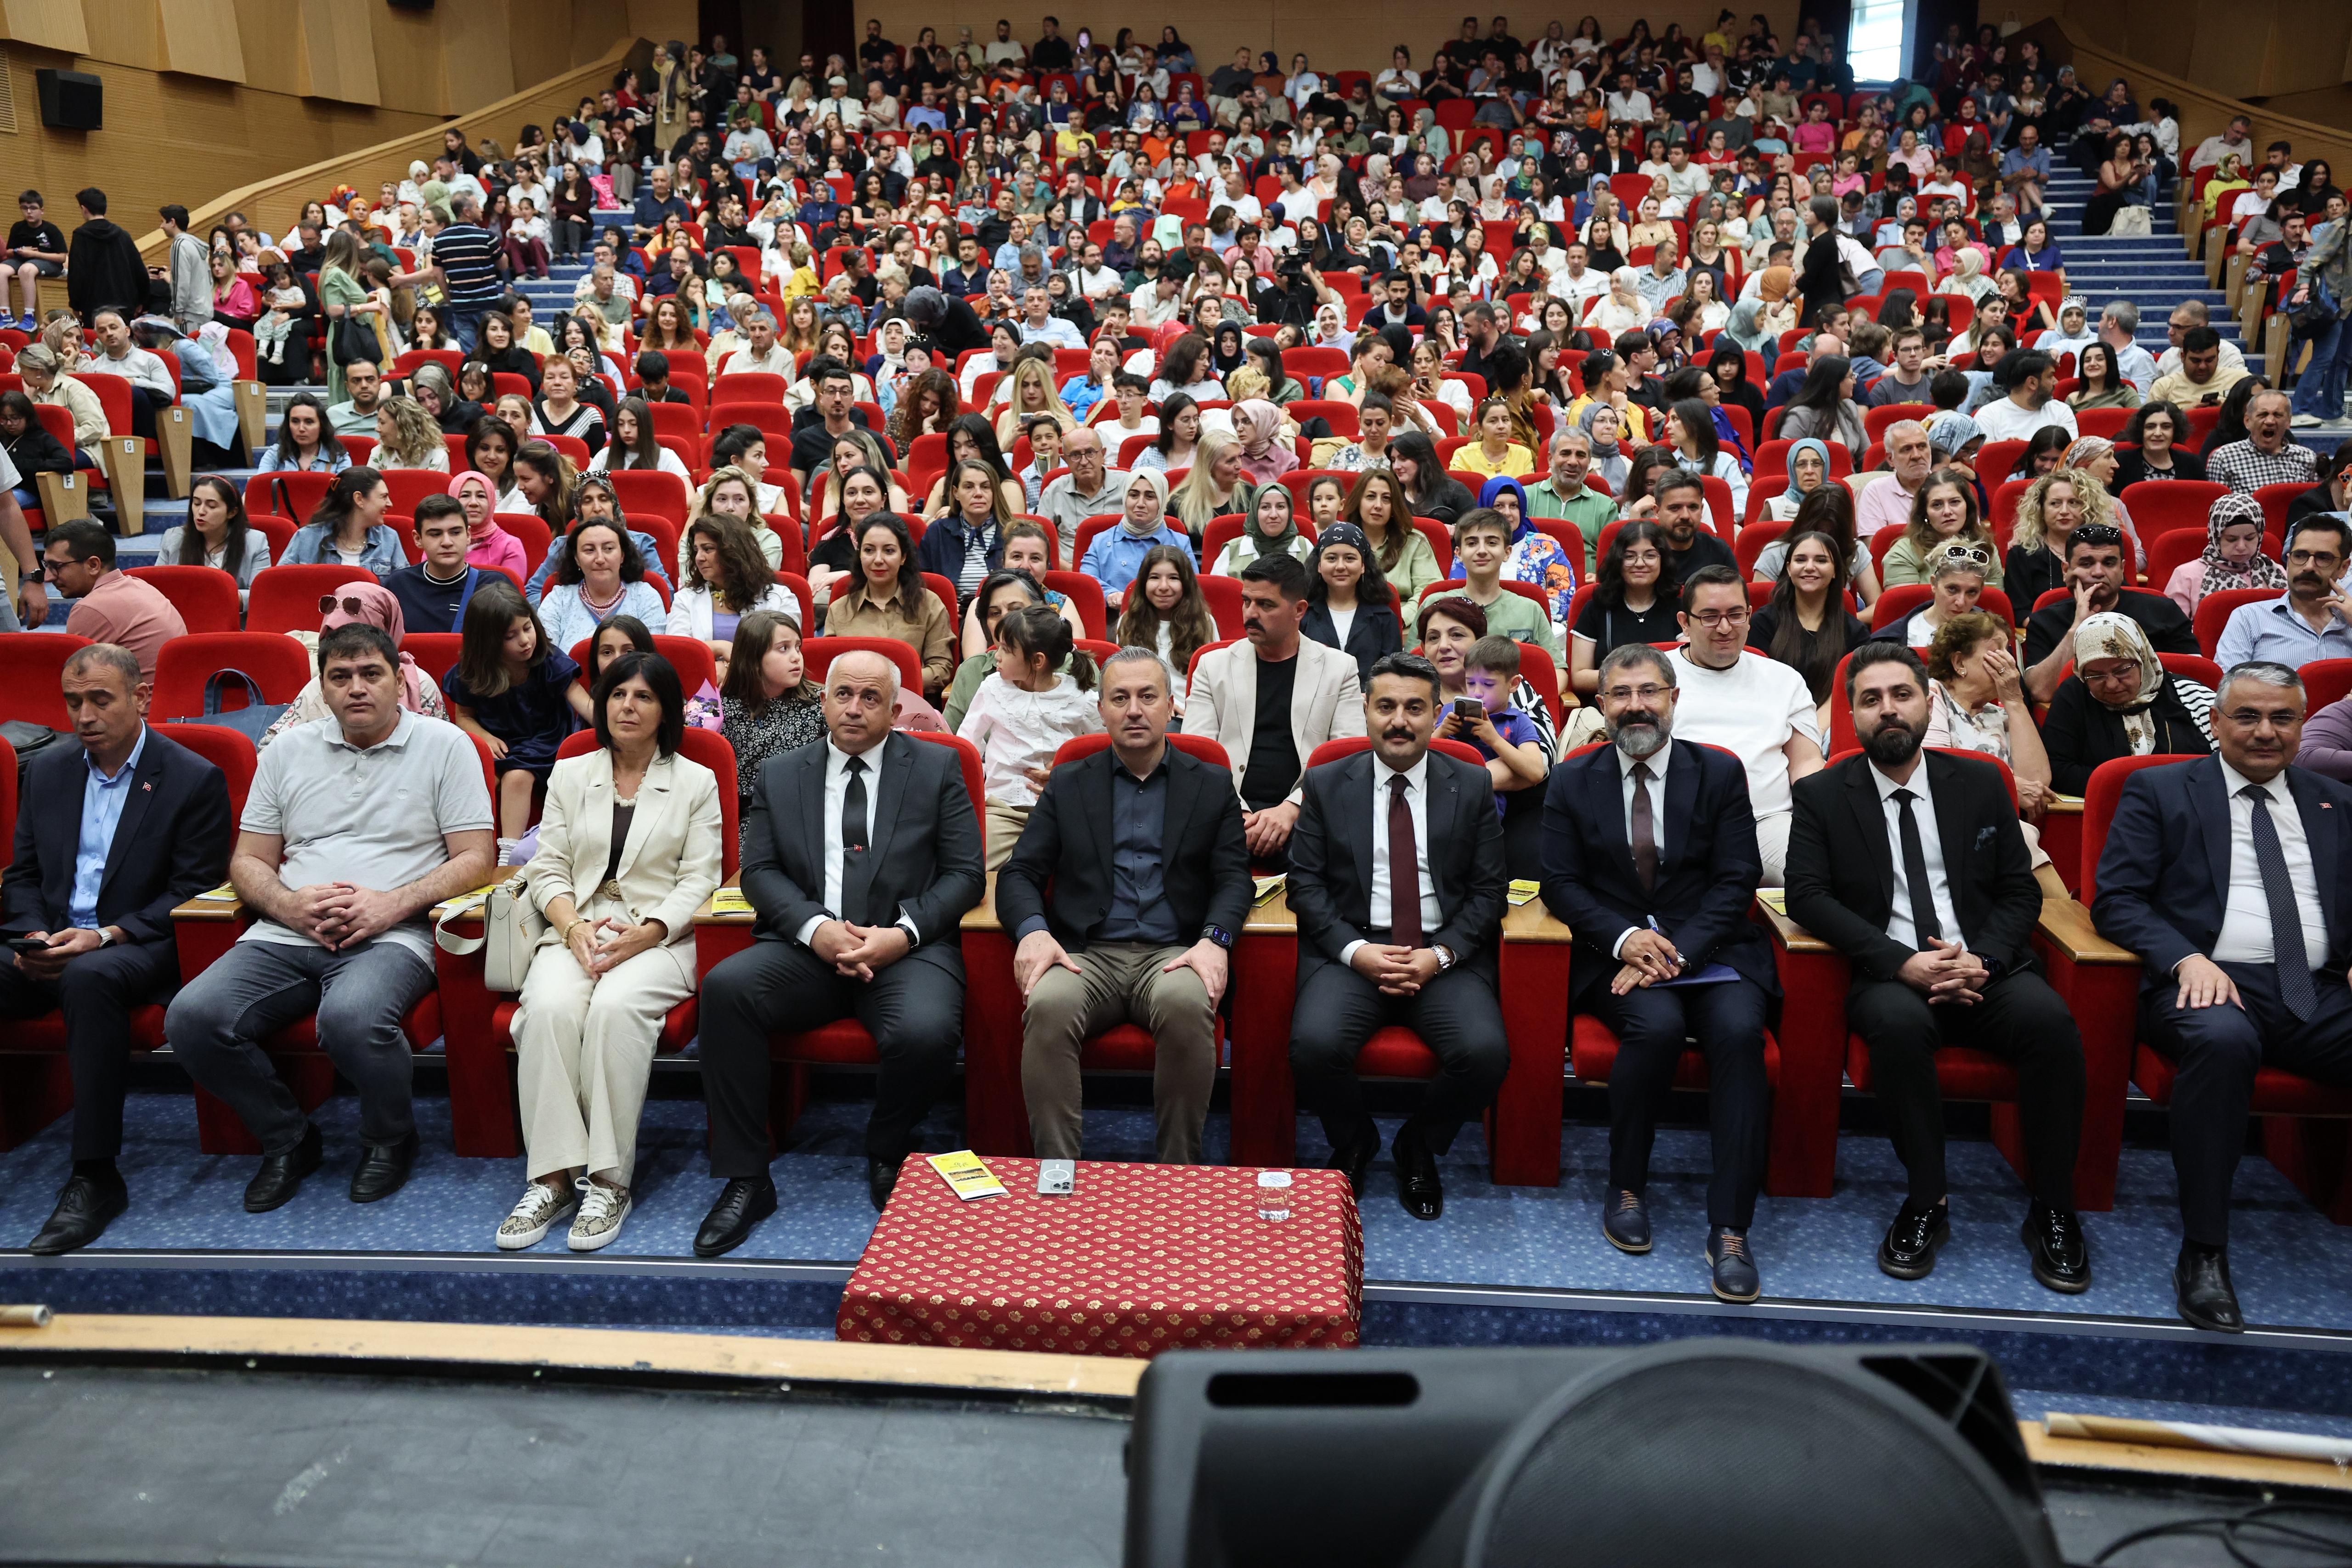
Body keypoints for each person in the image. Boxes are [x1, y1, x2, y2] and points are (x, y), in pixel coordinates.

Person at [1788, 643, 2089, 1290]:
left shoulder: (1980, 781)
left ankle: (2054, 1207)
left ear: (1927, 701)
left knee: (2052, 1024)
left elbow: (2020, 890)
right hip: (1890, 973)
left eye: (1901, 694)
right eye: (1871, 700)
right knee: (1896, 1029)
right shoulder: (1821, 795)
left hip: (1987, 966)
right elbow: (1806, 894)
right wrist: (1903, 963)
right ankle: (1928, 1198)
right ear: (1852, 715)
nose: (1888, 710)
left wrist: (1983, 958)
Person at [166, 622, 496, 1210]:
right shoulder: (288, 750)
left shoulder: (446, 747)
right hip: (287, 930)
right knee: (191, 1017)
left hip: (392, 932)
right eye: (340, 677)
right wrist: (288, 906)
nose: (356, 689)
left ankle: (388, 1138)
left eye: (371, 674)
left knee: (351, 1018)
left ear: (400, 681)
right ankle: (289, 1138)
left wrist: (392, 903)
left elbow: (477, 857)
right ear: (322, 688)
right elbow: (248, 862)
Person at [2092, 661, 2352, 1331]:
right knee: (2223, 1043)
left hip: (2316, 989)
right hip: (2209, 980)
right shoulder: (2160, 789)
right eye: (2248, 716)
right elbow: (2115, 899)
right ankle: (2205, 1249)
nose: (2266, 732)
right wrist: (2184, 957)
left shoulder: (2336, 801)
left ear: (2302, 724)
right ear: (2216, 722)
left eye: (2283, 718)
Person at [695, 649, 986, 1248]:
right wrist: (814, 927)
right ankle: (747, 1176)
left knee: (927, 1030)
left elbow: (965, 875)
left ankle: (887, 1144)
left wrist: (900, 935)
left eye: (871, 697)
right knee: (726, 990)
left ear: (894, 706)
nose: (855, 708)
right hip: (807, 949)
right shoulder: (782, 772)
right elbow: (761, 873)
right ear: (825, 699)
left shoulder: (938, 768)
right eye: (844, 694)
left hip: (905, 945)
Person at [1537, 639, 1774, 1298]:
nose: (1636, 706)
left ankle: (1731, 1225)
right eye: (1621, 694)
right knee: (1657, 1028)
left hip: (1714, 949)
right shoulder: (1572, 777)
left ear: (1674, 698)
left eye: (1649, 692)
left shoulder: (1718, 772)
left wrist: (1676, 950)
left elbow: (1737, 879)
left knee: (1736, 1034)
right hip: (1616, 955)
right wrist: (1624, 939)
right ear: (1601, 703)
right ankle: (1628, 1183)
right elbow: (1558, 882)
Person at [2, 645, 232, 1252]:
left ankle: (96, 1173)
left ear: (141, 698)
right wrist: (30, 935)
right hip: (52, 936)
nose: (84, 714)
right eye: (73, 701)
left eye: (100, 699)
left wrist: (104, 935)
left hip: (142, 942)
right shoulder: (48, 771)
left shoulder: (191, 777)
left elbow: (194, 889)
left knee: (90, 977)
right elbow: (22, 875)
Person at [492, 649, 721, 1253]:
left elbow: (702, 878)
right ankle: (551, 1177)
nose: (628, 705)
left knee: (614, 1010)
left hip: (658, 935)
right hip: (577, 927)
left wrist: (646, 932)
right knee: (546, 1009)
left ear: (666, 709)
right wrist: (570, 928)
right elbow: (548, 869)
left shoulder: (696, 782)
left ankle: (608, 1179)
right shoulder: (572, 773)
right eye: (618, 693)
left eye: (644, 696)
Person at [995, 646, 1248, 1162]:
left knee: (1185, 1002)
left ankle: (1177, 1171)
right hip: (1087, 955)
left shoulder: (1210, 782)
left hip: (1174, 952)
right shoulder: (1069, 783)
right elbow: (1020, 872)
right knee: (1046, 1004)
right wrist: (1033, 932)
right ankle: (1056, 1174)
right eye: (1120, 698)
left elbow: (1232, 879)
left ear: (1171, 705)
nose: (1134, 709)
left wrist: (1214, 941)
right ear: (1102, 710)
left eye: (1147, 697)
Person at [1287, 652, 1509, 1221]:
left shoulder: (1471, 783)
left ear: (1436, 713)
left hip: (1442, 952)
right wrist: (1356, 952)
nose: (1399, 721)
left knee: (1484, 1055)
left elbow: (1489, 893)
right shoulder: (1327, 782)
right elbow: (1305, 888)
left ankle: (1420, 1143)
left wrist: (1439, 955)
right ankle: (1355, 1139)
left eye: (1414, 708)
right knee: (1312, 1047)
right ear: (1364, 710)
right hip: (1353, 950)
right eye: (1385, 706)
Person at [1184, 554, 1367, 863]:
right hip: (1227, 807)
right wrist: (1237, 812)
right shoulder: (1212, 666)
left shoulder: (1340, 668)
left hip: (1307, 811)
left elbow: (1345, 758)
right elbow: (1197, 755)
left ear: (1299, 611)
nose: (1250, 614)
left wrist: (1293, 808)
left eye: (1265, 605)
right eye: (1246, 602)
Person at [1667, 566, 1825, 886]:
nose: (1725, 628)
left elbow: (1807, 763)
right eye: (1710, 617)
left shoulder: (1785, 680)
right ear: (1685, 622)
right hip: (1676, 824)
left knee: (1821, 876)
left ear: (1750, 616)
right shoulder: (1655, 678)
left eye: (1736, 615)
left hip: (1767, 823)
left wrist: (1823, 823)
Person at [443, 580, 594, 860]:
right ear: (486, 642)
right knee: (483, 778)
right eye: (510, 636)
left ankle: (508, 856)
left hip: (545, 739)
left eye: (528, 628)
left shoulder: (548, 660)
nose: (525, 640)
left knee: (517, 777)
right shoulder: (470, 672)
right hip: (501, 742)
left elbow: (583, 703)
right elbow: (463, 716)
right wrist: (484, 737)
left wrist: (613, 723)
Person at [956, 604, 1104, 871]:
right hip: (1004, 808)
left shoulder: (1078, 697)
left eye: (1006, 650)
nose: (996, 656)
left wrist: (1071, 773)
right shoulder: (993, 689)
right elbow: (967, 744)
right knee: (972, 865)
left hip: (1063, 809)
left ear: (1038, 661)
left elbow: (1103, 747)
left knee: (1084, 867)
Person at [2044, 611, 2216, 794]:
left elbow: (2225, 765)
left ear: (2141, 659)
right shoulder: (2074, 695)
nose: (2111, 684)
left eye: (2122, 670)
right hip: (2107, 808)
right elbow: (2058, 770)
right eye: (2096, 675)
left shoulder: (2189, 695)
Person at [2023, 524, 2200, 700]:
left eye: (2109, 563)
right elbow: (2040, 692)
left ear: (2122, 568)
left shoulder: (2164, 611)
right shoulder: (2044, 621)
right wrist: (2078, 628)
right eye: (2087, 563)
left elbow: (2196, 679)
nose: (2099, 572)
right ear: (2066, 570)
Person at [824, 511, 957, 698]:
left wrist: (888, 684)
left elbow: (941, 670)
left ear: (903, 557)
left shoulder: (929, 603)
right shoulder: (840, 609)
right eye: (869, 550)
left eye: (889, 551)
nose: (878, 560)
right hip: (852, 707)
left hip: (909, 705)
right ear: (860, 554)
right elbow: (829, 672)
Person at [717, 609, 827, 820]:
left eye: (797, 647)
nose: (796, 657)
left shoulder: (820, 700)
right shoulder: (723, 706)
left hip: (809, 813)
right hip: (749, 816)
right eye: (783, 649)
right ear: (753, 658)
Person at [44, 519, 186, 679]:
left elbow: (76, 682)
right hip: (170, 699)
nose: (48, 577)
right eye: (46, 566)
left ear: (93, 565)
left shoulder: (91, 609)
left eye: (56, 567)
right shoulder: (140, 585)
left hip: (141, 703)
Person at [2212, 516, 2352, 667]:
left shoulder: (2349, 621)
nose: (2309, 566)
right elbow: (2227, 687)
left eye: (2324, 558)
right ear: (2288, 562)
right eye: (2300, 556)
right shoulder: (2249, 618)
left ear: (2343, 568)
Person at [668, 513, 800, 663]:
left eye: (708, 549)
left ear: (733, 551)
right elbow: (678, 650)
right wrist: (720, 647)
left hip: (763, 683)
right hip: (706, 682)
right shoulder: (685, 598)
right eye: (696, 550)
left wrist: (728, 669)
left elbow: (786, 652)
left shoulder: (780, 597)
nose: (699, 557)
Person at [533, 515, 667, 650]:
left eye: (608, 549)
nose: (600, 559)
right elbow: (547, 658)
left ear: (622, 556)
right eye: (589, 550)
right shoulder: (559, 599)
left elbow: (651, 659)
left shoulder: (645, 597)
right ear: (577, 559)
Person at [1302, 522, 1402, 684]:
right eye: (1332, 558)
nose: (1341, 566)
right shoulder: (1302, 614)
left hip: (1368, 706)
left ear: (1363, 566)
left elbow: (1394, 675)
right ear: (1319, 566)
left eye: (1350, 558)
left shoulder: (1384, 617)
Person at [2165, 493, 2287, 619]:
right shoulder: (2187, 576)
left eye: (2250, 538)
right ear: (2216, 538)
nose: (2241, 547)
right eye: (2231, 539)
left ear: (2260, 536)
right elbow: (2173, 630)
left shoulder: (2274, 571)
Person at [1880, 469, 2005, 589]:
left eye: (1955, 502)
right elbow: (1905, 608)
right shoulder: (1904, 553)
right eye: (1937, 505)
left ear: (1968, 507)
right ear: (1925, 513)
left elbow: (1996, 604)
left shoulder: (1986, 549)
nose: (1947, 512)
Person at [1080, 468, 1193, 598]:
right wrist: (1111, 595)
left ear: (1161, 502)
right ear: (1125, 498)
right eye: (1134, 495)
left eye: (1150, 497)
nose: (1140, 504)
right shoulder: (1101, 542)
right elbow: (1087, 581)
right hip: (1114, 615)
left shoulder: (1180, 543)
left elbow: (1191, 588)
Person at [284, 466, 405, 578]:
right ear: (359, 499)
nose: (390, 504)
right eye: (384, 497)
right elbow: (279, 584)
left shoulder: (389, 538)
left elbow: (405, 589)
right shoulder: (306, 537)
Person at [2209, 387, 2319, 495]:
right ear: (2248, 421)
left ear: (2288, 422)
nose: (2270, 421)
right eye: (2263, 415)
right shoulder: (2224, 458)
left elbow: (2317, 505)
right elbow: (2218, 509)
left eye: (2278, 415)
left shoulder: (2307, 457)